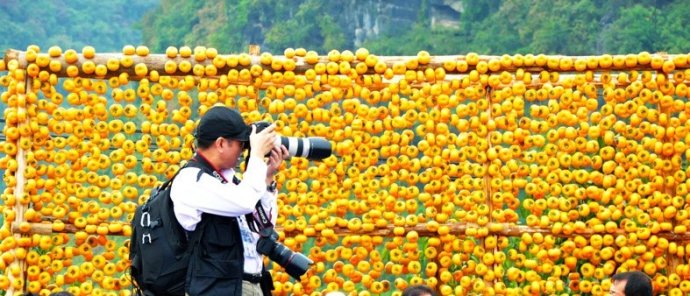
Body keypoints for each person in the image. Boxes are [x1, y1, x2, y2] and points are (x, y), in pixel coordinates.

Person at [170, 105, 289, 296]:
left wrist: (267, 179)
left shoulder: (229, 181)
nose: (243, 150)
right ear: (221, 143)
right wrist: (257, 156)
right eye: (240, 143)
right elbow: (244, 202)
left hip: (249, 284)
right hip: (217, 289)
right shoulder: (191, 180)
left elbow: (262, 228)